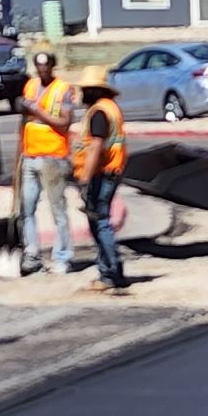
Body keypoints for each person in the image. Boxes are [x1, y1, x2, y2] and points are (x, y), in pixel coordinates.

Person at [18, 49, 75, 275]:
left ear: (52, 66)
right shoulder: (30, 86)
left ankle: (62, 257)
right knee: (27, 209)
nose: (42, 70)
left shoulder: (62, 90)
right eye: (39, 66)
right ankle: (31, 255)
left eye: (46, 65)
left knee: (57, 210)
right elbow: (24, 120)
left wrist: (37, 111)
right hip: (30, 156)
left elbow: (64, 123)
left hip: (53, 158)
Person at [76, 66, 129, 293]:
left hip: (102, 174)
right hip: (111, 171)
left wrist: (85, 176)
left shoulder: (99, 112)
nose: (81, 94)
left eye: (85, 90)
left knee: (100, 222)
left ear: (94, 91)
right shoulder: (110, 108)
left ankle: (110, 273)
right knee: (101, 221)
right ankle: (111, 270)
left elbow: (96, 145)